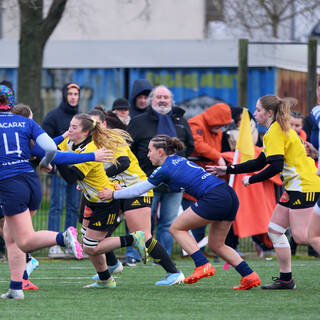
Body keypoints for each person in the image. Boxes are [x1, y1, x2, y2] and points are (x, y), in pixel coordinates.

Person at [99, 135, 260, 289]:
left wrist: (113, 194)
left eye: (150, 150)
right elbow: (141, 186)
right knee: (216, 245)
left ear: (160, 151)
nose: (147, 155)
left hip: (214, 197)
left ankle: (202, 264)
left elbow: (141, 189)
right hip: (228, 195)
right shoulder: (179, 160)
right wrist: (124, 189)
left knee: (176, 228)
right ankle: (249, 275)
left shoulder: (165, 169)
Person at [210, 94, 320, 290]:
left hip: (304, 185)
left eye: (258, 109)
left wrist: (251, 179)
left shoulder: (276, 131)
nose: (255, 113)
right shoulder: (274, 130)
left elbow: (275, 165)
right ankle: (286, 279)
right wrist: (228, 169)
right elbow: (261, 161)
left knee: (305, 237)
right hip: (295, 186)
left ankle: (286, 279)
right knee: (275, 230)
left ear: (269, 112)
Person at [0, 86, 83, 300]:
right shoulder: (26, 122)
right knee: (10, 237)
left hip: (10, 185)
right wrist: (45, 164)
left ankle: (63, 238)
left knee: (24, 241)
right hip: (31, 182)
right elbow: (50, 149)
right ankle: (16, 287)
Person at [89, 109, 184, 285]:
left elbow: (124, 163)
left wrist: (98, 177)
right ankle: (112, 264)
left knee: (142, 236)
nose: (92, 127)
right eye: (89, 123)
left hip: (136, 189)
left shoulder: (112, 138)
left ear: (103, 124)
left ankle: (174, 272)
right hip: (119, 190)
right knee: (100, 232)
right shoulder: (92, 142)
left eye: (95, 123)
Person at [56, 113, 147, 289]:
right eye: (70, 125)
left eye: (74, 127)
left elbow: (69, 177)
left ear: (85, 131)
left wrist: (54, 158)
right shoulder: (69, 141)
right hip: (92, 200)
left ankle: (134, 239)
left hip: (105, 202)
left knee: (90, 247)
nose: (70, 130)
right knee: (87, 243)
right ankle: (105, 279)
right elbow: (52, 147)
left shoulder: (90, 150)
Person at [128, 85, 194, 258]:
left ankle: (161, 256)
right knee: (143, 221)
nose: (163, 100)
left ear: (171, 100)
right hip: (146, 180)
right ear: (151, 100)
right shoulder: (138, 122)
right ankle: (135, 255)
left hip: (174, 183)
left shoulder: (180, 121)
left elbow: (189, 145)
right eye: (159, 97)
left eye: (166, 97)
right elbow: (128, 149)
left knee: (168, 223)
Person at [186, 103, 232, 253]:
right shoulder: (196, 123)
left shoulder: (215, 129)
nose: (220, 128)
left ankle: (198, 248)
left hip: (207, 177)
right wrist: (217, 156)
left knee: (204, 213)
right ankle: (191, 248)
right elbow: (197, 145)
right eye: (220, 124)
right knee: (194, 213)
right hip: (194, 177)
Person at [42, 83, 82, 258]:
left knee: (73, 208)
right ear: (64, 95)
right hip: (59, 170)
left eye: (76, 94)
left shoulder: (82, 117)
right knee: (56, 207)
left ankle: (70, 244)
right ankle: (53, 244)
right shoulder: (53, 116)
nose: (73, 97)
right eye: (70, 93)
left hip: (76, 171)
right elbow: (47, 143)